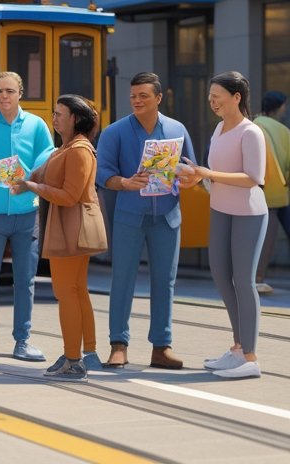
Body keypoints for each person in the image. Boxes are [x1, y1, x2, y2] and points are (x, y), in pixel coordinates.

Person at [95, 71, 196, 370]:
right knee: (122, 279)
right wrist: (125, 183)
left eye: (143, 96)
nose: (136, 101)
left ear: (159, 98)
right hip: (129, 216)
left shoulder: (177, 129)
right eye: (133, 96)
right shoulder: (114, 132)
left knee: (165, 282)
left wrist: (187, 178)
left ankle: (161, 347)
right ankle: (118, 344)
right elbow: (102, 175)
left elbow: (193, 170)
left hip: (167, 216)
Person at [13, 95, 102, 380]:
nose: (54, 118)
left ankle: (74, 359)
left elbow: (69, 195)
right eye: (54, 113)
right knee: (76, 290)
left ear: (75, 118)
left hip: (71, 226)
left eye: (60, 113)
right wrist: (26, 181)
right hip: (68, 225)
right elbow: (41, 176)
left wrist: (32, 186)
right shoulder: (66, 148)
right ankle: (85, 352)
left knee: (66, 293)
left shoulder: (78, 150)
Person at [186, 72, 267, 379]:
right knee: (221, 276)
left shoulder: (251, 132)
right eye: (210, 97)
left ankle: (249, 356)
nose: (212, 102)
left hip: (248, 213)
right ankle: (237, 347)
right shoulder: (219, 128)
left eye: (217, 96)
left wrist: (209, 173)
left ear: (237, 97)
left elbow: (253, 177)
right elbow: (214, 173)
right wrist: (197, 175)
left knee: (244, 281)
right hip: (220, 209)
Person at [0, 71, 56, 365]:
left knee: (26, 280)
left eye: (9, 91)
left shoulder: (36, 125)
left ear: (20, 93)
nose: (3, 96)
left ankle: (23, 340)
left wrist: (32, 175)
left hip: (27, 213)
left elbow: (48, 154)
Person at [255, 91, 290, 294]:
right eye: (285, 105)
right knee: (267, 235)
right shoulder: (284, 131)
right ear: (278, 107)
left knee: (262, 236)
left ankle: (258, 277)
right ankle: (257, 279)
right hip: (279, 194)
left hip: (258, 190)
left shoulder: (254, 124)